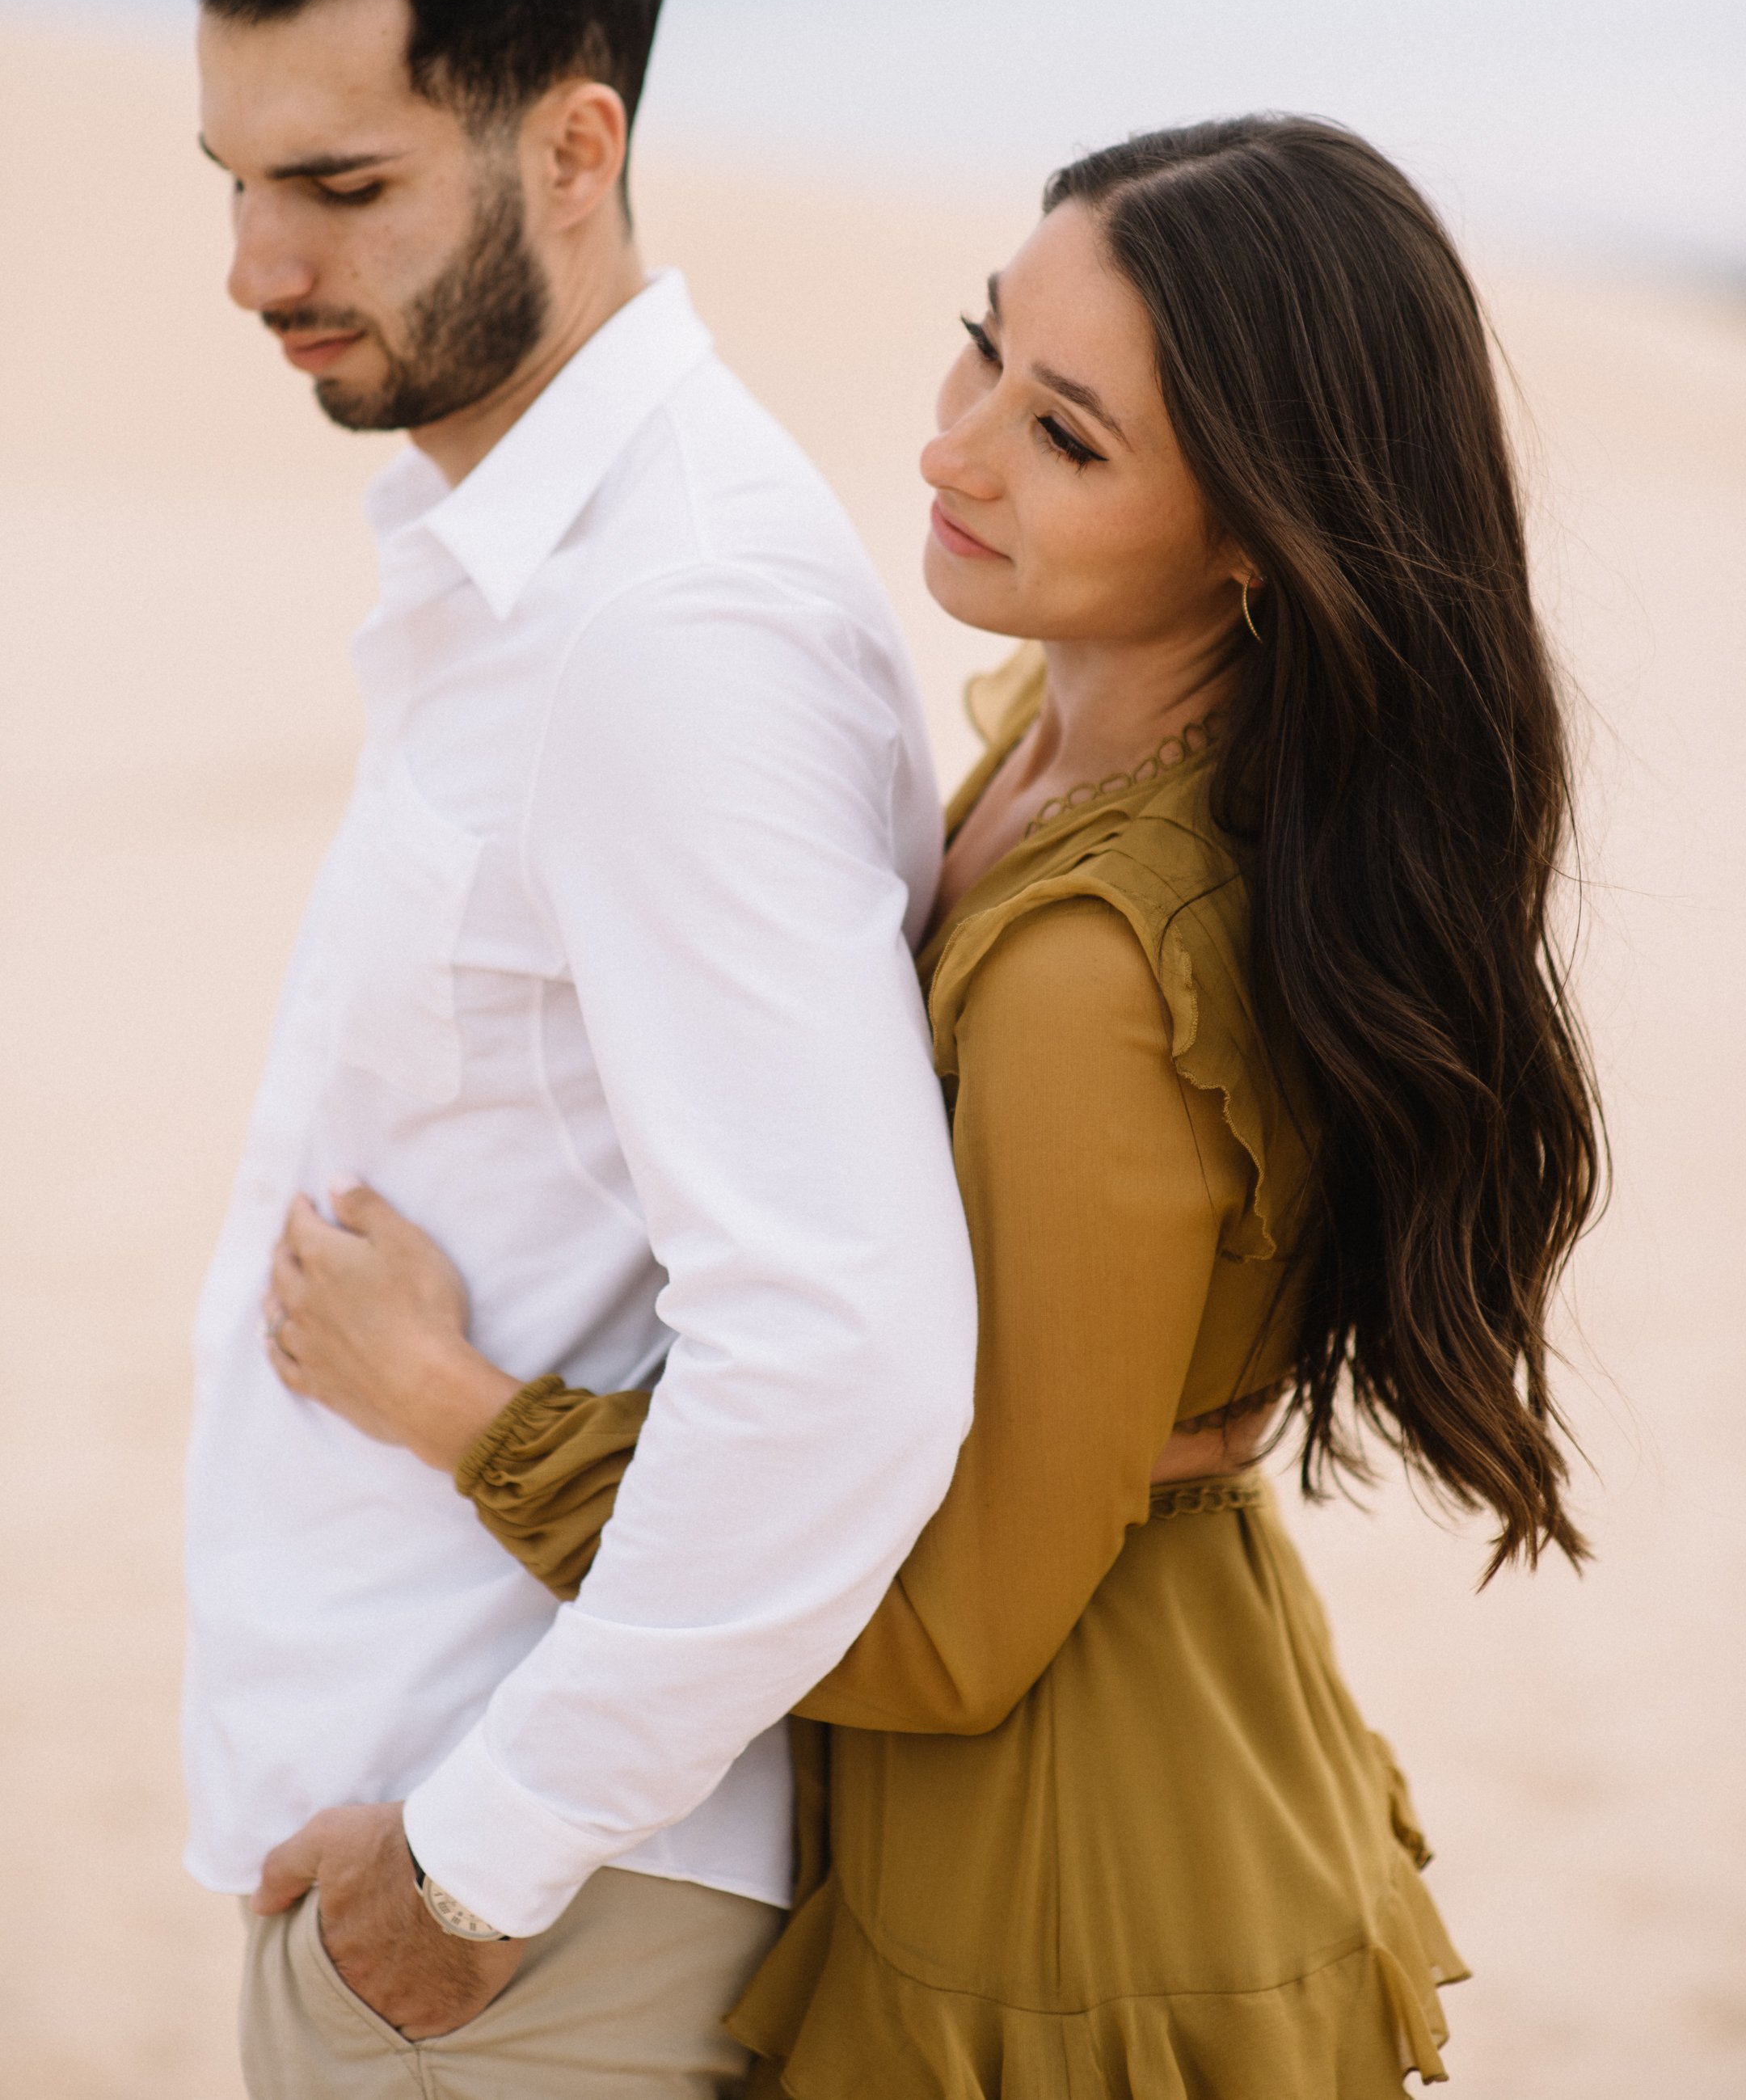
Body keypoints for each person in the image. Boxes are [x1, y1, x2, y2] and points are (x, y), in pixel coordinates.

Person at [269, 114, 1605, 2096]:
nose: (951, 445)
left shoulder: (1099, 972)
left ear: (1253, 530)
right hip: (1097, 1742)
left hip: (1062, 1881)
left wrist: (460, 1408)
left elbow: (945, 1630)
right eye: (982, 345)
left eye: (1067, 435)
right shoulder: (1024, 754)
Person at [182, 0, 981, 2100]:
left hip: (538, 1922)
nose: (256, 265)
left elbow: (842, 1347)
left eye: (342, 189)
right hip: (451, 1859)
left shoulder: (673, 620)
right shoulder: (528, 571)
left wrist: (477, 1862)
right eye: (234, 179)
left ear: (573, 142)